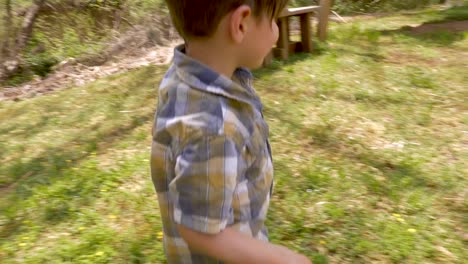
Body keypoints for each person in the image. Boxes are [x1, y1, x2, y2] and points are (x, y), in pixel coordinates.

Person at [150, 1, 311, 263]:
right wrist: (284, 259)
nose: (276, 31)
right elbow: (199, 231)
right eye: (273, 20)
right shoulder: (213, 127)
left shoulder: (183, 76)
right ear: (240, 24)